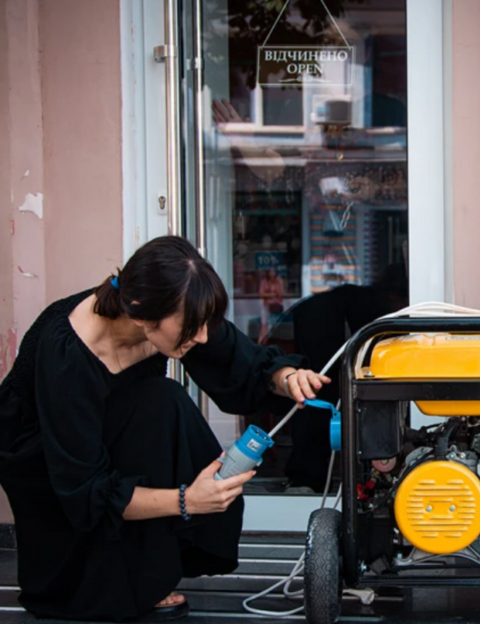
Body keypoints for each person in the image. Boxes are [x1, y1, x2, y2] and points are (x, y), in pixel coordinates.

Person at [0, 236, 330, 622]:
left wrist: (286, 377)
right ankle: (94, 583)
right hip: (45, 457)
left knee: (160, 401)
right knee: (158, 405)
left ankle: (144, 572)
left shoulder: (169, 312)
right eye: (194, 326)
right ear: (142, 315)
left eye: (206, 321)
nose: (203, 336)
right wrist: (188, 500)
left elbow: (240, 362)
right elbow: (83, 488)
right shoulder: (70, 353)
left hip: (107, 434)